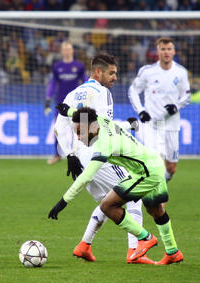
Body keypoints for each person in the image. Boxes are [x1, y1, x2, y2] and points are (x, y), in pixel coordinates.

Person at [49, 106, 184, 265]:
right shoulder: (99, 120)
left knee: (107, 205)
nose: (78, 138)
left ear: (92, 128)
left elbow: (86, 176)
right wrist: (68, 110)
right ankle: (172, 252)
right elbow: (86, 116)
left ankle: (145, 238)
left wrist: (62, 202)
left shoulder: (104, 145)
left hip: (146, 172)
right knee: (155, 210)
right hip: (153, 163)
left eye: (80, 132)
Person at [53, 53, 154, 264]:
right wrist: (126, 127)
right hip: (100, 154)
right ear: (98, 72)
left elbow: (60, 126)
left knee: (107, 203)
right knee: (134, 196)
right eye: (111, 73)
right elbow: (101, 127)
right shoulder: (102, 92)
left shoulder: (74, 94)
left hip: (81, 158)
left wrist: (70, 154)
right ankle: (135, 251)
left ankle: (84, 246)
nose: (115, 77)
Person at [128, 37, 191, 183]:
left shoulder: (181, 72)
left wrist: (176, 106)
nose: (166, 52)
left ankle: (161, 186)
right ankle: (158, 200)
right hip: (152, 125)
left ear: (174, 51)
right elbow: (133, 91)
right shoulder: (148, 72)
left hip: (172, 124)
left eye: (169, 49)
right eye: (163, 49)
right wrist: (141, 111)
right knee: (156, 163)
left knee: (171, 167)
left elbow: (186, 96)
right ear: (158, 51)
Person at [45, 41, 88, 165]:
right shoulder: (57, 66)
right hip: (61, 103)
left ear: (72, 51)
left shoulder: (79, 66)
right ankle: (57, 154)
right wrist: (48, 98)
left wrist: (89, 91)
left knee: (82, 129)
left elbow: (84, 80)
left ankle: (83, 155)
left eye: (69, 49)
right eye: (64, 49)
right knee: (58, 129)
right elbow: (53, 83)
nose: (67, 51)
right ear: (62, 51)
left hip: (76, 103)